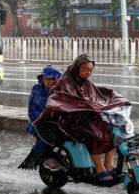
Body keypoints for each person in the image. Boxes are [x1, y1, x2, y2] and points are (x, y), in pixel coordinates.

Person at [34, 54, 130, 182]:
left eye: (90, 70)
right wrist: (85, 107)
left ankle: (108, 164)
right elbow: (62, 101)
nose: (88, 72)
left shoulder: (87, 83)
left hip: (85, 116)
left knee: (114, 130)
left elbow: (98, 97)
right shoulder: (65, 82)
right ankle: (100, 168)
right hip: (69, 119)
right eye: (86, 69)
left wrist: (110, 105)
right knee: (94, 133)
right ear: (77, 68)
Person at [18, 64, 62, 170]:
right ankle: (43, 158)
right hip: (39, 123)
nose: (51, 82)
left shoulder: (61, 88)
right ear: (43, 79)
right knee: (46, 139)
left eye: (54, 79)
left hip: (58, 121)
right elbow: (35, 111)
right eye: (48, 79)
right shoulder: (38, 90)